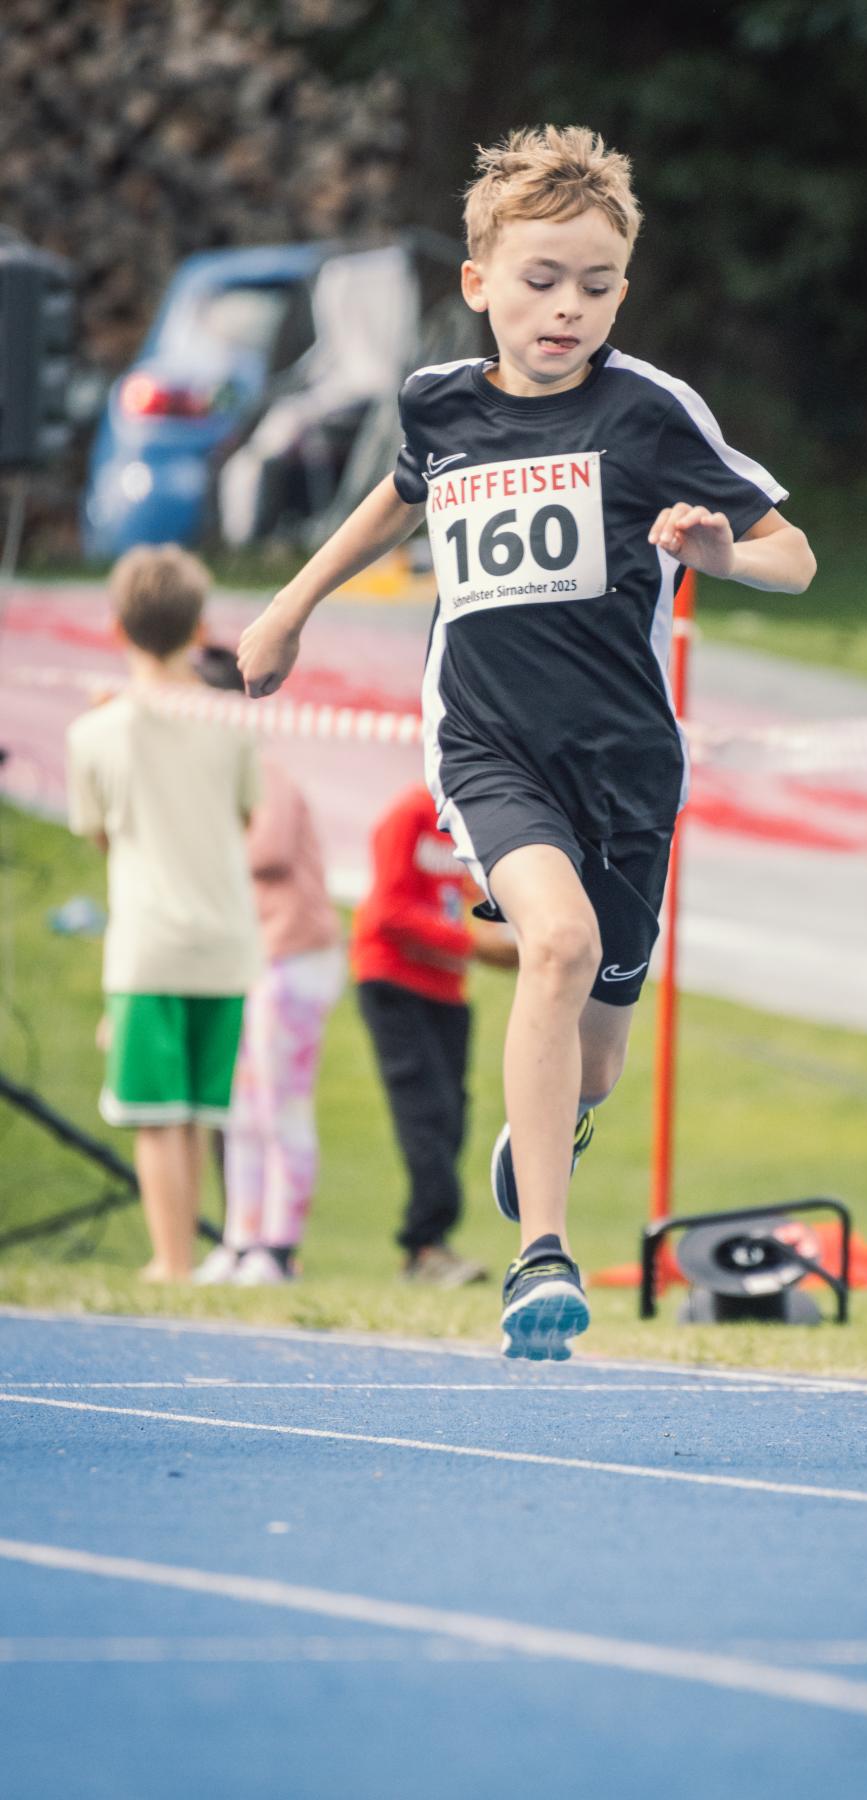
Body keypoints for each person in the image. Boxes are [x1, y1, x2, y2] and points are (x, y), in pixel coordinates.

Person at [238, 125, 817, 1358]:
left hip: (627, 770)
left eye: (595, 287)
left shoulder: (648, 412)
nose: (567, 310)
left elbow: (795, 554)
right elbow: (399, 496)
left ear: (622, 291)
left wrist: (723, 555)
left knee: (595, 1054)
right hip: (487, 748)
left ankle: (558, 1114)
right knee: (553, 943)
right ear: (477, 283)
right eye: (541, 281)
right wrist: (291, 605)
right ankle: (540, 1258)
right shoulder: (439, 404)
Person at [67, 547, 260, 1282]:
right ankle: (184, 1256)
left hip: (148, 945)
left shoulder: (93, 733)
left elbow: (98, 833)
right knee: (200, 1112)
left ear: (116, 628)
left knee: (156, 1114)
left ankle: (171, 1261)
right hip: (227, 940)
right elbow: (246, 817)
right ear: (200, 628)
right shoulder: (231, 722)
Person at [191, 647, 344, 1286]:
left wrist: (197, 841)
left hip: (293, 958)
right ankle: (240, 1239)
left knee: (281, 1106)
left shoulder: (263, 773)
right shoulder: (221, 782)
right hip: (253, 961)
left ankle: (279, 1248)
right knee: (241, 1110)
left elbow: (270, 850)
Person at [352, 782, 517, 1286]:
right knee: (427, 1111)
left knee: (453, 1114)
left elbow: (473, 899)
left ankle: (433, 1242)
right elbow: (388, 911)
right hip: (395, 981)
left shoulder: (480, 821)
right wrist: (472, 943)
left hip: (448, 987)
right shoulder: (410, 814)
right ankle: (423, 1246)